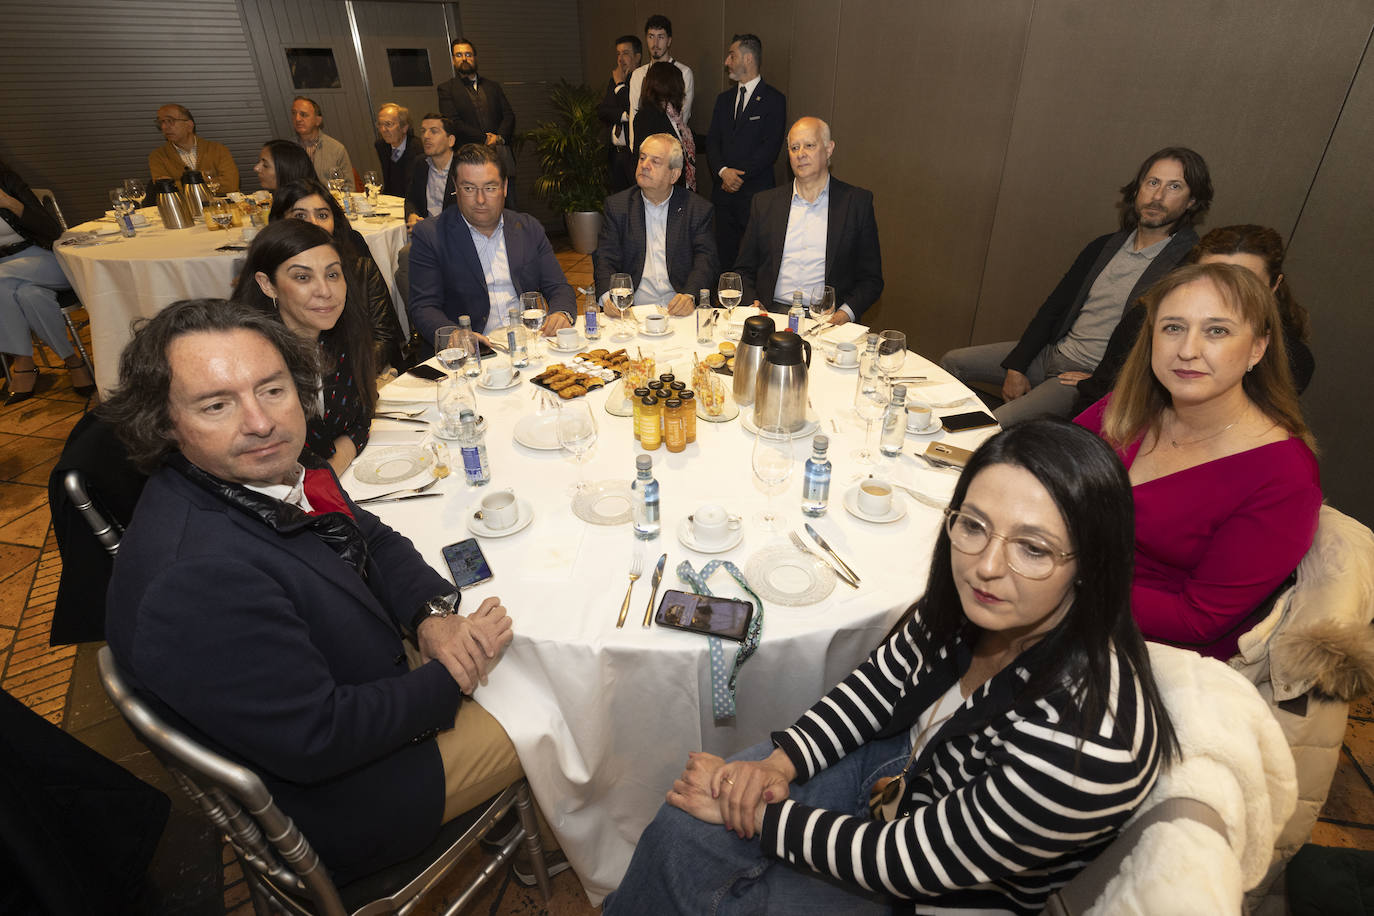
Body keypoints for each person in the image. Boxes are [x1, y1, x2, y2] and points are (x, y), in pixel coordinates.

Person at [606, 419, 1176, 915]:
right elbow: (878, 686)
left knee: (708, 864)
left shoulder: (1093, 743)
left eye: (1033, 548)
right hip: (904, 771)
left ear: (1091, 563)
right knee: (683, 826)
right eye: (973, 525)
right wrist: (780, 765)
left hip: (937, 891)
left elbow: (916, 862)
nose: (986, 565)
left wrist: (761, 816)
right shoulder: (978, 605)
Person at [98, 298, 560, 886]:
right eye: (217, 404)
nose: (260, 421)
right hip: (354, 794)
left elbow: (369, 532)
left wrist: (429, 616)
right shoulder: (197, 578)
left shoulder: (258, 471)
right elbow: (320, 738)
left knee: (514, 654)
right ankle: (554, 842)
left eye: (272, 389)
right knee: (555, 706)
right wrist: (453, 678)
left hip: (358, 677)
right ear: (164, 423)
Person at [1076, 262, 1321, 660]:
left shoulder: (1284, 475)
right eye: (1173, 327)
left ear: (1257, 349)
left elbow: (1198, 619)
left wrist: (1067, 582)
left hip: (1150, 646)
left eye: (1217, 331)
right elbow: (1048, 470)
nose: (1187, 351)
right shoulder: (1130, 407)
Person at [941, 147, 1212, 425]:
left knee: (992, 425)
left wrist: (1102, 381)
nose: (1157, 196)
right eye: (1153, 182)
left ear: (1191, 201)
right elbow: (1054, 307)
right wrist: (1017, 365)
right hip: (1053, 353)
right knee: (953, 361)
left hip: (1081, 377)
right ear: (1137, 189)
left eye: (1174, 186)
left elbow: (1171, 346)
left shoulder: (1186, 265)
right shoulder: (1104, 247)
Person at [1074, 224, 1315, 412]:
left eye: (1244, 283)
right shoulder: (1144, 320)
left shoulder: (1291, 359)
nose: (1189, 351)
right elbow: (1097, 396)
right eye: (1174, 329)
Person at [230, 220, 375, 475]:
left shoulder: (341, 336)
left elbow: (361, 419)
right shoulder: (249, 366)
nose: (324, 291)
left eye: (332, 274)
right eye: (302, 277)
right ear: (267, 284)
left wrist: (329, 474)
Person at [408, 144, 574, 349]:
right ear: (455, 187)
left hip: (530, 343)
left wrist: (561, 313)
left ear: (504, 187)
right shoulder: (430, 235)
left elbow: (558, 287)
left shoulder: (528, 227)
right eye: (469, 188)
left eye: (490, 188)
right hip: (475, 349)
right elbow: (424, 307)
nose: (480, 200)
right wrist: (454, 334)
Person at [734, 117, 883, 324]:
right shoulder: (765, 203)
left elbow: (871, 280)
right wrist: (754, 305)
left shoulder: (856, 203)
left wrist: (844, 314)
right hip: (771, 314)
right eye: (794, 148)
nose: (800, 154)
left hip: (828, 320)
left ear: (829, 149)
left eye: (809, 146)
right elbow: (743, 269)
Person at [269, 178, 407, 372]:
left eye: (323, 215)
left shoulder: (360, 269)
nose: (314, 224)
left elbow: (384, 338)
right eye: (300, 216)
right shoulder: (271, 278)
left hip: (361, 373)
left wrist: (345, 375)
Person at [594, 133, 718, 318]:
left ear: (674, 175)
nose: (644, 165)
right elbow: (605, 257)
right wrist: (607, 298)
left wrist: (690, 295)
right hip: (632, 309)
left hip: (679, 308)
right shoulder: (618, 206)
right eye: (642, 158)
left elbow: (706, 260)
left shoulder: (697, 209)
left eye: (655, 161)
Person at [0, 159, 93, 404]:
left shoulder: (8, 181)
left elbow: (51, 230)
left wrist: (10, 203)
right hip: (6, 271)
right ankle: (73, 361)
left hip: (43, 259)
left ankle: (23, 363)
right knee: (29, 296)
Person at [706, 33, 786, 269]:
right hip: (723, 195)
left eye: (732, 55)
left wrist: (736, 175)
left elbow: (769, 149)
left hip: (754, 195)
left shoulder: (774, 100)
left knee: (753, 261)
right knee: (723, 259)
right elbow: (712, 141)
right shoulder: (723, 100)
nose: (726, 62)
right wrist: (723, 172)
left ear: (748, 58)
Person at [436, 39, 517, 207]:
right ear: (453, 60)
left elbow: (509, 115)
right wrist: (484, 139)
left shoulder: (493, 86)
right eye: (459, 55)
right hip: (470, 160)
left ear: (475, 58)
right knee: (478, 207)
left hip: (500, 155)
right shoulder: (446, 89)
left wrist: (498, 138)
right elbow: (453, 122)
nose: (464, 58)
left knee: (509, 205)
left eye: (468, 54)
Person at [628, 14, 694, 148]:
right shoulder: (638, 74)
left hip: (672, 148)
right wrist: (634, 149)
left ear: (669, 41)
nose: (655, 43)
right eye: (651, 36)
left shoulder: (683, 72)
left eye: (661, 37)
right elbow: (633, 115)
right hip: (643, 147)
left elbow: (682, 117)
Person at [631, 62, 695, 192]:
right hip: (663, 193)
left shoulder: (674, 115)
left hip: (681, 190)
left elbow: (680, 139)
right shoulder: (647, 117)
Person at [148, 104, 239, 193]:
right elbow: (165, 189)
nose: (164, 127)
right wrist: (209, 181)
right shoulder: (157, 157)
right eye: (161, 122)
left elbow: (231, 185)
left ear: (189, 125)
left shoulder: (218, 149)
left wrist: (182, 184)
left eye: (170, 121)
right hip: (183, 208)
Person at [596, 34, 643, 193]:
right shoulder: (614, 80)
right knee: (618, 201)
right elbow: (603, 111)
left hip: (633, 155)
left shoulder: (643, 80)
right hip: (615, 155)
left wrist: (621, 85)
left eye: (626, 53)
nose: (620, 59)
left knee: (636, 199)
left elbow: (635, 110)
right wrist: (625, 116)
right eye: (618, 54)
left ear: (637, 57)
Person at [404, 113, 458, 230]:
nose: (426, 136)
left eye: (433, 131)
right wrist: (412, 215)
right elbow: (410, 200)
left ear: (450, 140)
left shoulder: (463, 167)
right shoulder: (420, 164)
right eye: (423, 131)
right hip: (426, 235)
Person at [291, 96, 355, 187]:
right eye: (294, 113)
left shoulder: (336, 149)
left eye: (303, 115)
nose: (297, 119)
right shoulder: (286, 149)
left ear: (318, 120)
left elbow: (349, 187)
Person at [373, 102, 422, 198]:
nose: (383, 129)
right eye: (380, 124)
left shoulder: (418, 148)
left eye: (388, 124)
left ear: (404, 127)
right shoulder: (381, 146)